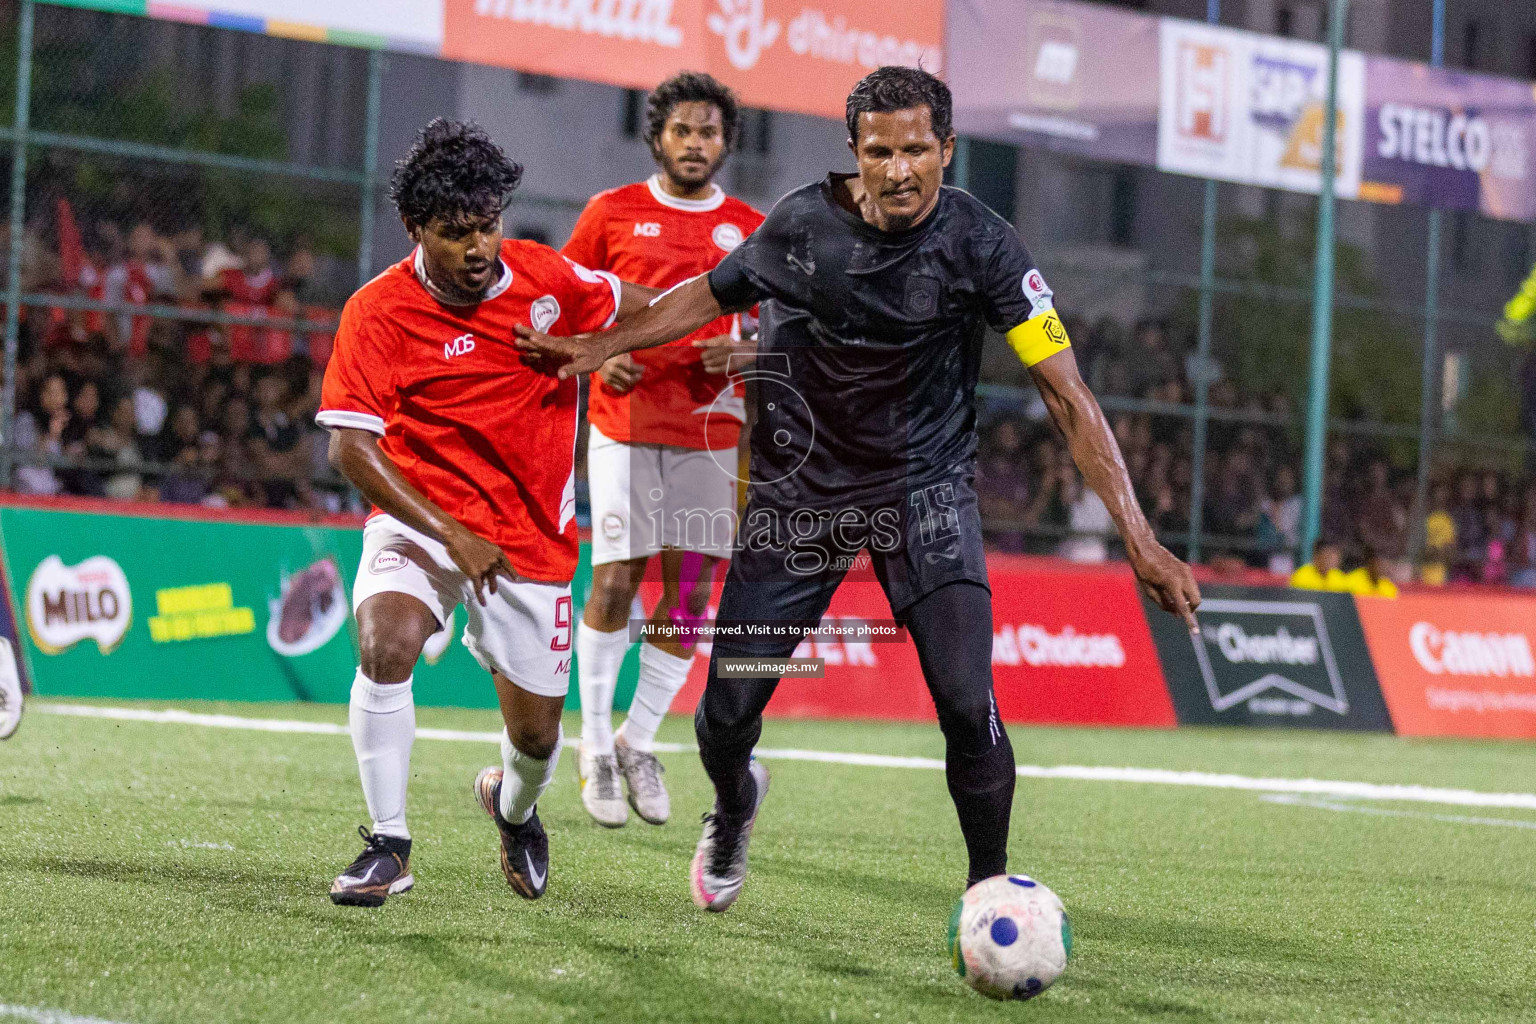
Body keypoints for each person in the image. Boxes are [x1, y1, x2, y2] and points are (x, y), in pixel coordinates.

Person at [516, 67, 1200, 912]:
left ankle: (990, 889)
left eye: (918, 150)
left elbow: (1066, 392)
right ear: (855, 152)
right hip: (800, 500)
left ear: (948, 149)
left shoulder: (986, 245)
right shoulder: (801, 224)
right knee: (724, 718)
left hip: (926, 496)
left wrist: (1139, 536)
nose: (900, 170)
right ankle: (734, 806)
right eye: (880, 152)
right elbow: (707, 294)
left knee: (967, 703)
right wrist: (599, 346)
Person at [317, 119, 655, 907]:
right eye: (455, 232)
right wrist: (450, 532)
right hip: (422, 519)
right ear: (415, 228)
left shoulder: (545, 279)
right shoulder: (378, 311)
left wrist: (613, 345)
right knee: (384, 643)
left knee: (537, 739)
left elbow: (644, 304)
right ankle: (388, 845)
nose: (478, 247)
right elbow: (351, 451)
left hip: (528, 539)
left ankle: (514, 810)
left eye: (488, 225)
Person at [560, 72, 766, 828]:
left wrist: (751, 354)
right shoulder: (610, 213)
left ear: (726, 143)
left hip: (712, 433)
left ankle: (636, 741)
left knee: (687, 599)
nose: (694, 143)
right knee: (616, 581)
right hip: (625, 423)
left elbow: (790, 328)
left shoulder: (751, 226)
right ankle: (593, 746)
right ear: (657, 138)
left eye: (708, 132)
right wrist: (599, 352)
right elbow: (562, 302)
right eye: (682, 129)